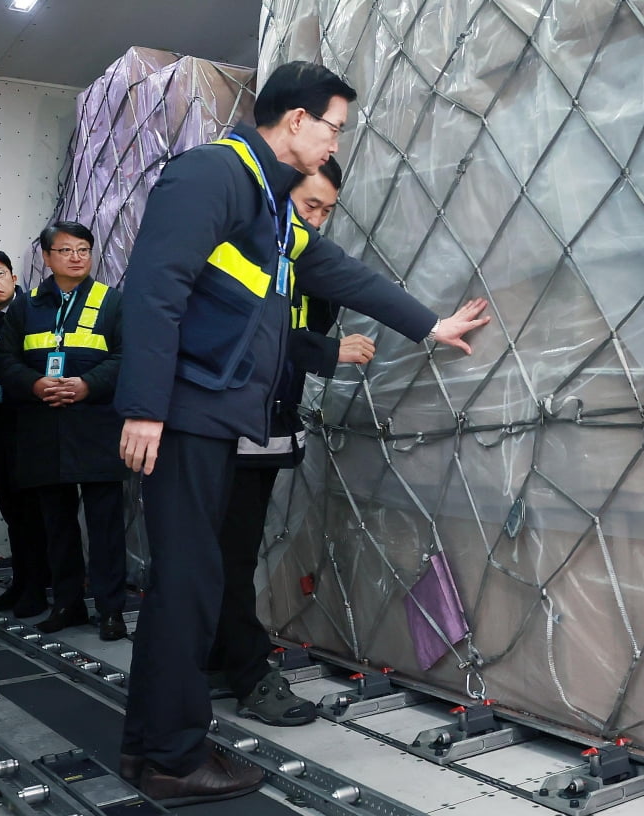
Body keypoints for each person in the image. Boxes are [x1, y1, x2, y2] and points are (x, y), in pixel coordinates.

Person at [114, 61, 489, 806]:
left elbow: (338, 272)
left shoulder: (272, 206)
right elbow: (155, 289)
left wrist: (429, 324)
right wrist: (145, 406)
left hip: (212, 414)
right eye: (335, 126)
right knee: (187, 585)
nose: (336, 140)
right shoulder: (212, 176)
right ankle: (173, 756)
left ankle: (153, 745)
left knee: (189, 584)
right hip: (184, 412)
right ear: (294, 121)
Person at [208, 157, 371, 726]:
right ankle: (247, 672)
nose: (318, 221)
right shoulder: (239, 252)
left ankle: (220, 658)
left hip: (269, 429)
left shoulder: (311, 269)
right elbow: (254, 336)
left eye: (326, 211)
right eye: (309, 207)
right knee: (223, 555)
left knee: (236, 551)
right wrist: (329, 353)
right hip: (222, 429)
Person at [0, 221, 129, 641]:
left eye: (83, 250)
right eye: (66, 250)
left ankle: (111, 611)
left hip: (96, 428)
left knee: (106, 527)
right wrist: (34, 384)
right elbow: (5, 360)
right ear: (47, 257)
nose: (76, 257)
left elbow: (129, 355)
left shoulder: (113, 302)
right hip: (44, 430)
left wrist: (88, 384)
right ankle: (67, 603)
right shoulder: (26, 306)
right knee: (57, 526)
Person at [0, 248, 49, 617]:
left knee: (35, 511)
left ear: (14, 278)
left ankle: (37, 587)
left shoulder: (35, 312)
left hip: (34, 422)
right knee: (11, 509)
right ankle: (20, 583)